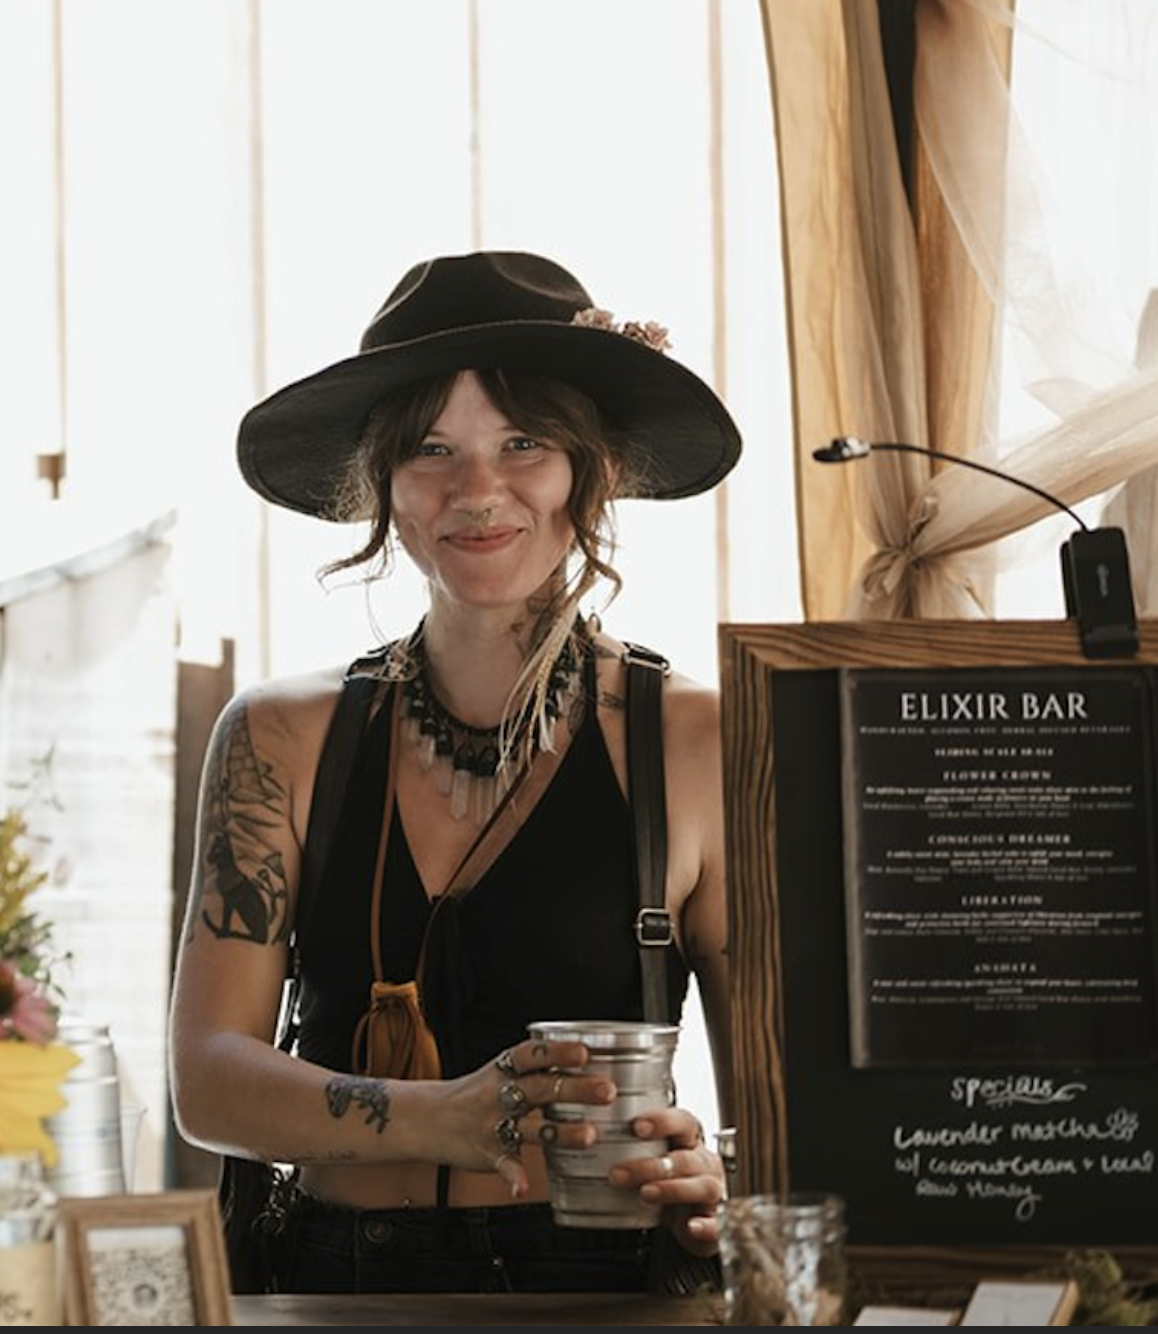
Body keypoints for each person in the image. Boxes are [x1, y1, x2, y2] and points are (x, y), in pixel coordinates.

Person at [168, 249, 742, 1295]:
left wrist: (720, 1183)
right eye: (432, 449)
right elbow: (206, 1081)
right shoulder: (278, 736)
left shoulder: (699, 740)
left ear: (593, 470)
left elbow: (780, 1115)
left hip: (606, 1289)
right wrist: (448, 1116)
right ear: (382, 485)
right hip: (330, 1286)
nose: (478, 491)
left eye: (523, 443)